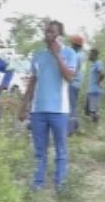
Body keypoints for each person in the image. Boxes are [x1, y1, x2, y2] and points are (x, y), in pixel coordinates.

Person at [19, 20, 77, 192]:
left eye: (52, 32)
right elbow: (33, 81)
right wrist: (24, 105)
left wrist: (57, 54)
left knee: (60, 150)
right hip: (38, 110)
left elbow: (69, 77)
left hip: (59, 110)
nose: (48, 35)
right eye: (46, 32)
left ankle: (60, 185)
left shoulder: (69, 53)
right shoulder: (38, 55)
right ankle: (38, 184)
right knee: (39, 150)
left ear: (60, 35)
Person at [68, 35, 85, 135]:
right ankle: (75, 128)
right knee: (73, 105)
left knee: (71, 105)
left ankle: (71, 129)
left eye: (72, 44)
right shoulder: (82, 55)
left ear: (75, 45)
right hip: (78, 83)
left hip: (73, 82)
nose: (70, 45)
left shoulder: (75, 56)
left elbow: (73, 71)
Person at [85, 48, 105, 125]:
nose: (88, 56)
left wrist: (99, 82)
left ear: (94, 55)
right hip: (91, 91)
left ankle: (96, 128)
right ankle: (94, 128)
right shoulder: (93, 64)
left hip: (95, 91)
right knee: (91, 111)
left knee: (93, 112)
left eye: (90, 54)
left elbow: (102, 73)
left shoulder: (98, 63)